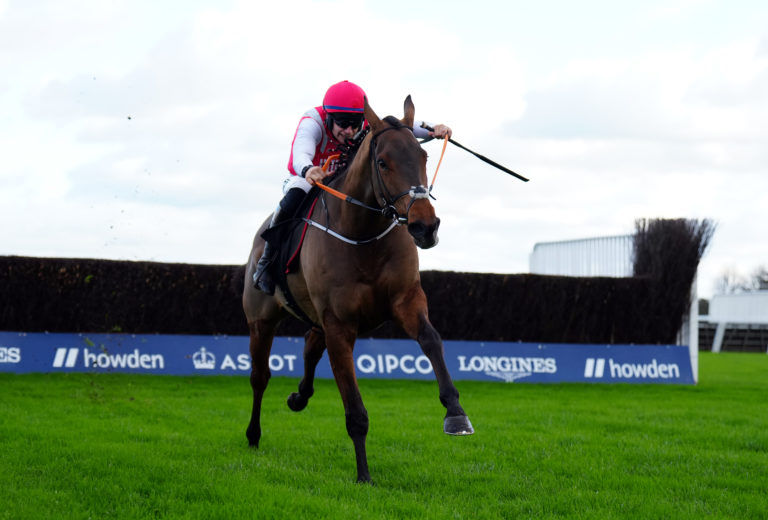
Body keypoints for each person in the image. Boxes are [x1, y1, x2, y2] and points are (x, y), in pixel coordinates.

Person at [253, 80, 452, 294]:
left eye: (355, 124)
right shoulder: (312, 121)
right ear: (328, 117)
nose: (349, 130)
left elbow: (403, 126)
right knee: (295, 193)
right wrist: (309, 169)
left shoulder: (364, 124)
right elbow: (300, 155)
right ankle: (266, 262)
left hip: (345, 181)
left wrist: (434, 129)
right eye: (343, 123)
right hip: (311, 177)